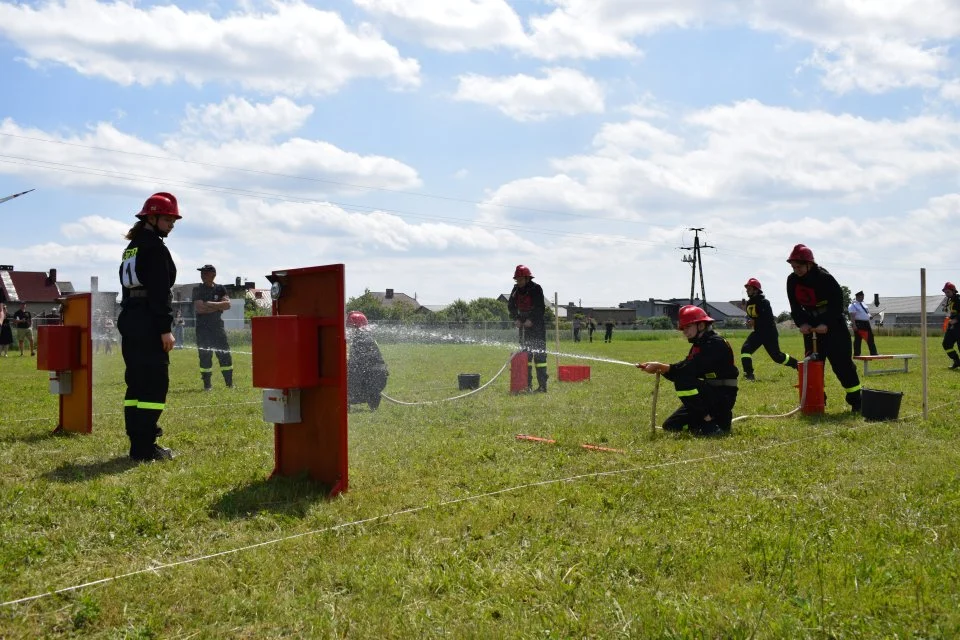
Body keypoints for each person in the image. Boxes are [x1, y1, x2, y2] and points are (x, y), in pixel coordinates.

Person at [118, 191, 180, 462]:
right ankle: (145, 448)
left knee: (136, 386)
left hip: (131, 320)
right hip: (148, 322)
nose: (172, 224)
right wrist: (164, 328)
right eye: (168, 219)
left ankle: (137, 445)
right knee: (154, 387)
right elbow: (159, 292)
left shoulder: (132, 247)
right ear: (151, 217)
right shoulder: (154, 247)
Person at [637, 305, 739, 436]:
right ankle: (714, 423)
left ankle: (709, 424)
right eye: (683, 328)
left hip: (721, 397)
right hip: (709, 395)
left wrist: (660, 366)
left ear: (701, 325)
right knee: (670, 426)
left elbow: (687, 372)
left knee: (683, 381)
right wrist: (660, 368)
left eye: (688, 327)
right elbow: (683, 367)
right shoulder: (699, 344)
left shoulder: (714, 344)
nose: (685, 331)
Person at [786, 244, 862, 412]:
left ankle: (857, 402)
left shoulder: (825, 279)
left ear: (809, 264)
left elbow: (837, 305)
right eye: (793, 267)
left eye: (798, 266)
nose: (795, 270)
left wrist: (826, 324)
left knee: (842, 366)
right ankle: (817, 401)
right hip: (811, 327)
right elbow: (795, 307)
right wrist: (802, 324)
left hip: (834, 327)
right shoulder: (792, 281)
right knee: (812, 365)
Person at [740, 277, 798, 380]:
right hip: (758, 332)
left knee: (777, 357)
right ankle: (749, 374)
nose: (747, 291)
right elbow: (754, 317)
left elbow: (767, 319)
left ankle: (796, 364)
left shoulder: (764, 302)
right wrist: (750, 322)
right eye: (747, 288)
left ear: (756, 290)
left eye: (749, 288)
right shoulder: (749, 303)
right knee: (745, 350)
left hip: (769, 333)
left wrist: (755, 321)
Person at [507, 264, 548, 392]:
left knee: (540, 357)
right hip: (523, 325)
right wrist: (517, 319)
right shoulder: (515, 290)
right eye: (517, 280)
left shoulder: (536, 289)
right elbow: (511, 306)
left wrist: (532, 320)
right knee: (525, 356)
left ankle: (542, 386)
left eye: (520, 280)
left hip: (537, 326)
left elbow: (540, 307)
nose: (518, 282)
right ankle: (527, 385)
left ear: (527, 278)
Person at [192, 265, 233, 390]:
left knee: (224, 354)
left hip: (217, 327)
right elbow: (199, 308)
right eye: (202, 273)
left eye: (205, 273)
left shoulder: (220, 289)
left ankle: (229, 384)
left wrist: (209, 304)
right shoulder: (197, 289)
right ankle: (207, 385)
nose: (202, 275)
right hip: (203, 328)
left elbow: (228, 305)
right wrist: (218, 306)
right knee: (205, 356)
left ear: (213, 274)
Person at [346, 311, 389, 410]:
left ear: (356, 326)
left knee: (348, 374)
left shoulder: (360, 338)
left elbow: (355, 364)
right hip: (378, 377)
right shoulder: (366, 336)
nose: (348, 330)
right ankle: (372, 397)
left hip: (373, 378)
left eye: (350, 327)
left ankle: (351, 398)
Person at [848, 290, 879, 357]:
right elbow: (852, 316)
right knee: (860, 339)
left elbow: (866, 312)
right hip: (859, 323)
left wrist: (869, 316)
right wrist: (854, 325)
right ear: (858, 296)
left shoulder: (863, 304)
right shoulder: (853, 305)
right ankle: (857, 353)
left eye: (863, 296)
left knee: (869, 337)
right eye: (862, 296)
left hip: (866, 323)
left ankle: (872, 353)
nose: (863, 298)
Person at [941, 282, 960, 369]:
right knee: (946, 344)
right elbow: (951, 311)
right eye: (945, 292)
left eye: (948, 292)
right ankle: (956, 361)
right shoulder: (949, 300)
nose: (946, 294)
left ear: (953, 291)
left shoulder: (959, 299)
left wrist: (956, 319)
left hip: (959, 326)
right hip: (952, 327)